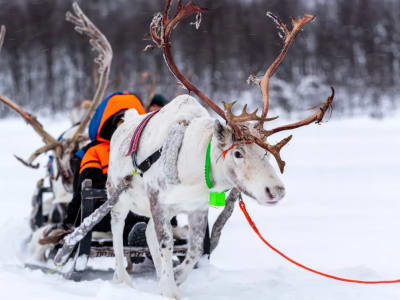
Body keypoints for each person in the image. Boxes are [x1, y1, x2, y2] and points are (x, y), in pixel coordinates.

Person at [64, 91, 148, 244]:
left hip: (140, 207)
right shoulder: (96, 151)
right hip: (106, 210)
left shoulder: (145, 151)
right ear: (113, 125)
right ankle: (137, 236)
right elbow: (86, 186)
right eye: (121, 123)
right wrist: (70, 220)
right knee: (125, 211)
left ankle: (144, 234)